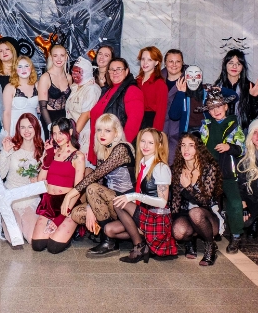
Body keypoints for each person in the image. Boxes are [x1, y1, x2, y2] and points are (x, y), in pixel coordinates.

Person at [65, 113, 136, 256]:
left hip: (126, 204)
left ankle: (109, 241)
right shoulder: (103, 150)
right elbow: (100, 182)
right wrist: (91, 208)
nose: (102, 134)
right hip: (111, 202)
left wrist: (71, 193)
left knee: (91, 187)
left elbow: (96, 176)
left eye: (107, 130)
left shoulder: (122, 148)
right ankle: (111, 233)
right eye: (99, 130)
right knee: (77, 214)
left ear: (116, 133)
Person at [105, 128, 175, 263]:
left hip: (156, 217)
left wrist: (134, 196)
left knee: (118, 203)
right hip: (145, 212)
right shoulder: (143, 163)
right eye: (143, 141)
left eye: (151, 143)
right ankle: (145, 240)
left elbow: (162, 202)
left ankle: (139, 246)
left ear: (159, 145)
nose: (145, 146)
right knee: (109, 230)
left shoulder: (161, 168)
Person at [196, 87, 246, 254]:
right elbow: (201, 147)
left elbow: (242, 148)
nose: (215, 110)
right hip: (208, 172)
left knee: (234, 202)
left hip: (227, 172)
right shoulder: (206, 126)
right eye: (211, 108)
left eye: (219, 106)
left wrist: (229, 147)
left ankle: (236, 235)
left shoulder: (233, 125)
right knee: (204, 202)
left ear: (226, 107)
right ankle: (206, 232)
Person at [31, 117, 85, 254]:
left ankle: (71, 230)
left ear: (70, 132)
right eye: (54, 133)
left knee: (53, 247)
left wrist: (59, 219)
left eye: (61, 133)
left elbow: (78, 189)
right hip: (49, 203)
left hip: (67, 204)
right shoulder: (53, 152)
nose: (57, 137)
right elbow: (40, 180)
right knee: (37, 245)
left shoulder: (77, 156)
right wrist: (48, 157)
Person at [170, 132, 223, 266]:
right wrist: (172, 221)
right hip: (186, 213)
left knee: (195, 213)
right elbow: (176, 201)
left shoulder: (209, 168)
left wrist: (188, 187)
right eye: (183, 145)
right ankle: (190, 241)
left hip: (208, 214)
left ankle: (210, 247)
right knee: (178, 231)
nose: (186, 149)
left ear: (198, 148)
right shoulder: (177, 169)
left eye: (191, 145)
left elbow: (205, 201)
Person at [0, 113, 45, 243]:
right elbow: (1, 175)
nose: (26, 131)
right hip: (11, 198)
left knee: (33, 239)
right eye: (22, 127)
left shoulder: (41, 150)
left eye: (30, 127)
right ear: (18, 129)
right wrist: (5, 153)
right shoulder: (12, 147)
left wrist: (38, 177)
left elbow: (45, 180)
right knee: (15, 238)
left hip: (30, 199)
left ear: (36, 128)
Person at [88, 58, 144, 164]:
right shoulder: (108, 90)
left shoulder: (132, 91)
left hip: (115, 151)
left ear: (126, 71)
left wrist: (119, 151)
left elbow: (133, 125)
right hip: (102, 147)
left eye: (119, 69)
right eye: (112, 69)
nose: (115, 72)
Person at [214, 49, 258, 132]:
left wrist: (253, 98)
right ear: (225, 65)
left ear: (242, 67)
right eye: (231, 63)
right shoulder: (218, 87)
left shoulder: (249, 86)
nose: (234, 66)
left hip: (242, 131)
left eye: (238, 64)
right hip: (221, 130)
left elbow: (253, 115)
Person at [65, 56, 101, 156]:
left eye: (78, 72)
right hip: (71, 133)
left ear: (87, 72)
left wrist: (72, 137)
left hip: (82, 136)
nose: (74, 74)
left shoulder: (91, 89)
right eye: (73, 71)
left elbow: (86, 114)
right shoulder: (74, 87)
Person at [2, 56, 40, 138]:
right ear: (15, 70)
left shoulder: (37, 85)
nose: (23, 69)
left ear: (31, 68)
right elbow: (6, 113)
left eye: (26, 66)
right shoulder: (10, 87)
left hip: (34, 127)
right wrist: (7, 134)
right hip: (15, 128)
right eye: (20, 67)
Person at [37, 45, 72, 132]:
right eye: (55, 56)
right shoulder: (45, 77)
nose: (59, 59)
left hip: (65, 119)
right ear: (51, 57)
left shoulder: (68, 77)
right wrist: (50, 126)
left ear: (66, 57)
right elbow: (43, 107)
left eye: (62, 55)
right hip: (49, 118)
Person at [161, 49, 188, 163]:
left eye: (178, 61)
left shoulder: (190, 81)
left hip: (178, 132)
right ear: (165, 63)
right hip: (160, 130)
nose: (174, 65)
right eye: (170, 61)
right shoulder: (157, 79)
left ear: (182, 63)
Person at [136, 46, 168, 131]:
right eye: (143, 59)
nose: (145, 63)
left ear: (156, 62)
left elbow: (161, 113)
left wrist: (155, 133)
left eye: (149, 60)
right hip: (135, 121)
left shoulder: (160, 84)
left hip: (150, 123)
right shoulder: (136, 81)